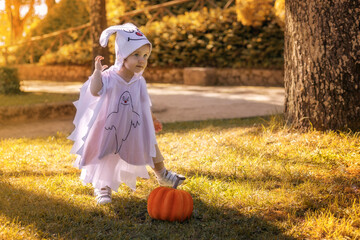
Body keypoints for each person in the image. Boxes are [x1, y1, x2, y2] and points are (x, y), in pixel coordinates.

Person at [68, 23, 185, 205]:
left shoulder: (139, 81)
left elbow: (144, 103)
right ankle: (102, 188)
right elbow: (95, 91)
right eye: (136, 55)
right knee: (104, 155)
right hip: (110, 126)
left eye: (145, 56)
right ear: (122, 56)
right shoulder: (109, 77)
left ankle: (163, 175)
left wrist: (152, 119)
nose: (142, 60)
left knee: (150, 144)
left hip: (133, 125)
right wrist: (98, 72)